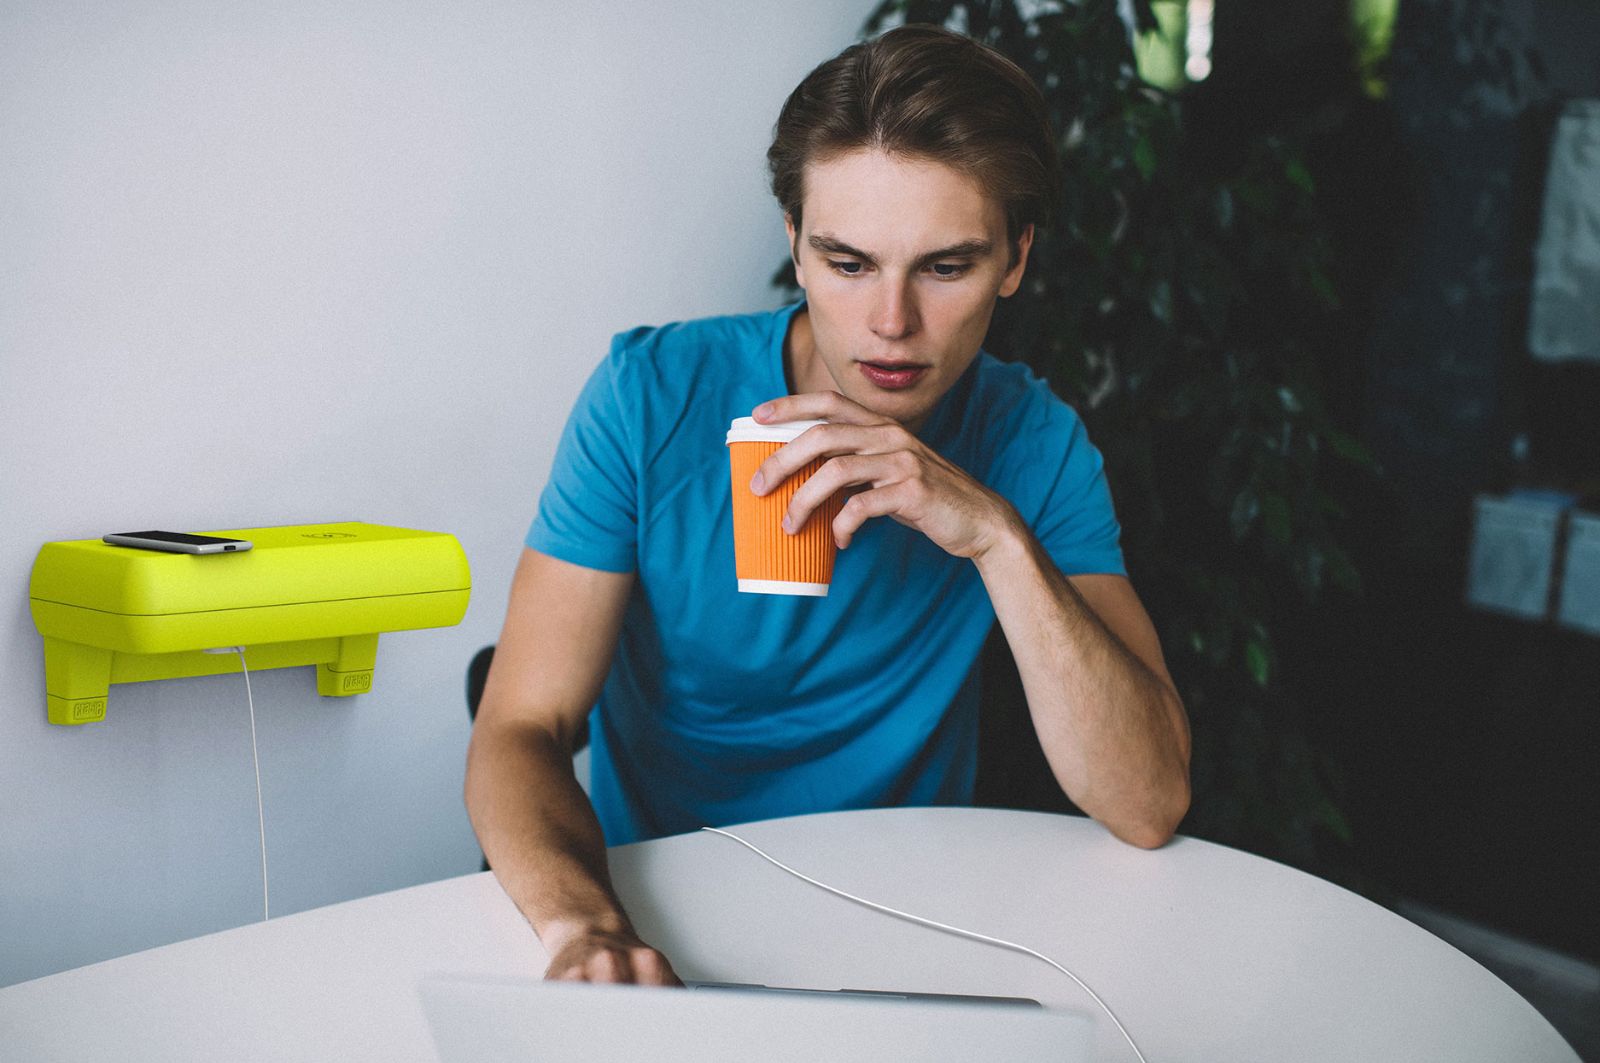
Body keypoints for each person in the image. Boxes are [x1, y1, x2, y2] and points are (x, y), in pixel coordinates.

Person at [464, 24, 1191, 988]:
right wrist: (586, 927)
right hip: (666, 914)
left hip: (907, 924)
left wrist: (994, 536)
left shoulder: (1033, 442)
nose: (892, 322)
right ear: (796, 249)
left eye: (945, 266)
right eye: (849, 263)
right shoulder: (650, 399)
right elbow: (518, 728)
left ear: (1014, 260)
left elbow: (1148, 803)